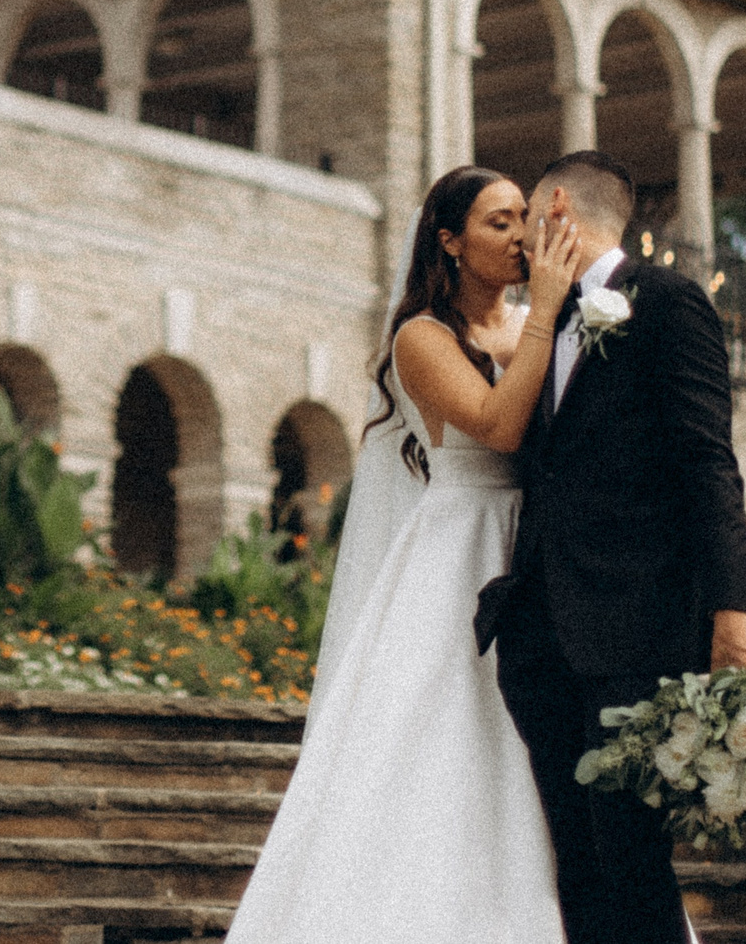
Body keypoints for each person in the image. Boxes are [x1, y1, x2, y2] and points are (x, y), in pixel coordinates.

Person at [226, 165, 584, 942]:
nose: (521, 234)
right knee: (450, 732)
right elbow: (495, 424)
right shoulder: (421, 337)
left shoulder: (532, 319)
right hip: (462, 545)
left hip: (536, 545)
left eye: (525, 215)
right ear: (450, 241)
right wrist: (548, 314)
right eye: (498, 221)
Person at [474, 150, 746, 944]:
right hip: (541, 641)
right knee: (575, 866)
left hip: (634, 633)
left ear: (557, 208)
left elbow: (707, 457)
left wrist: (737, 604)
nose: (519, 241)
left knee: (633, 860)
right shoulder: (539, 321)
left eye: (527, 217)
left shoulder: (669, 302)